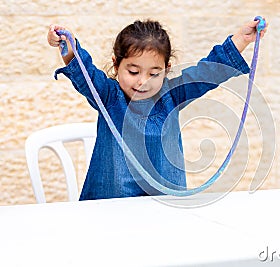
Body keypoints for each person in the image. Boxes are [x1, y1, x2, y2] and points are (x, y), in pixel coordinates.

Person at [47, 18, 266, 200]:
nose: (143, 81)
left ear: (166, 69)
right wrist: (68, 47)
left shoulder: (173, 94)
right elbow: (86, 74)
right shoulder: (108, 96)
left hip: (164, 209)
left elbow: (206, 73)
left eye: (154, 73)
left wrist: (241, 40)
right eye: (133, 71)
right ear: (116, 65)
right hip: (112, 209)